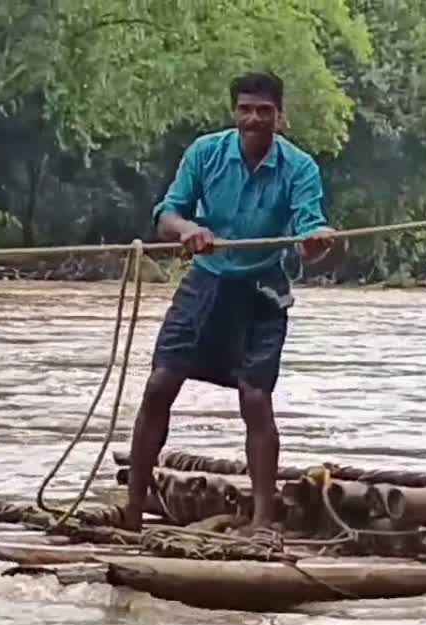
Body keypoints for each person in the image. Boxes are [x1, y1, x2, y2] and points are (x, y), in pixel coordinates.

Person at [123, 71, 337, 540]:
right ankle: (132, 510)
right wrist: (188, 232)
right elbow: (168, 214)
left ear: (281, 116)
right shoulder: (205, 152)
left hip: (263, 289)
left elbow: (307, 231)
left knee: (256, 398)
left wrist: (315, 243)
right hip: (208, 282)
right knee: (161, 383)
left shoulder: (300, 168)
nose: (254, 119)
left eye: (264, 111)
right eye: (246, 109)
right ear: (234, 112)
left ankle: (263, 521)